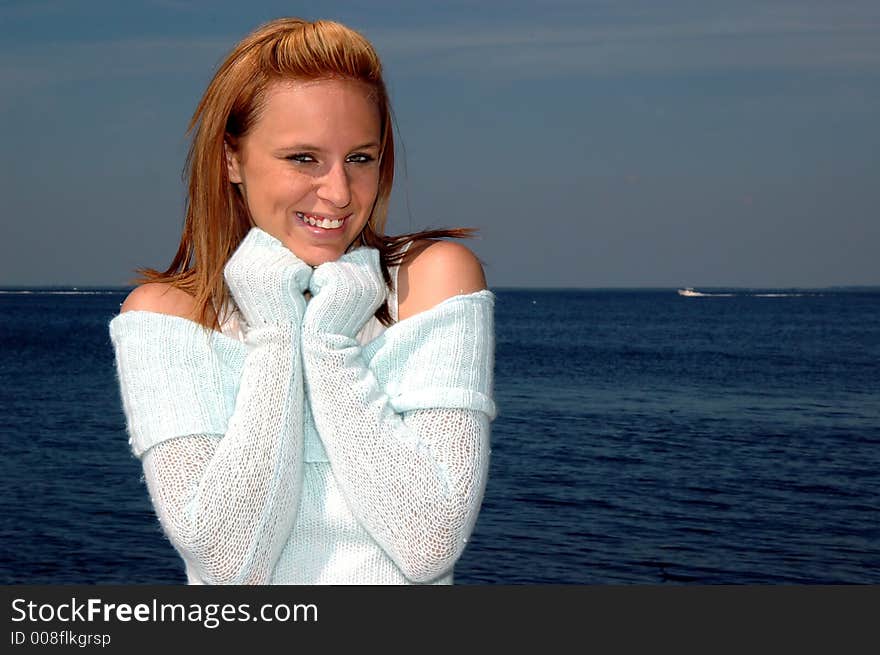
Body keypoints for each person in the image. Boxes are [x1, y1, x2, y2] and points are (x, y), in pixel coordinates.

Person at [108, 17, 496, 585]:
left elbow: (429, 540)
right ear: (231, 160)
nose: (339, 193)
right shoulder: (164, 318)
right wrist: (280, 329)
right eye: (303, 158)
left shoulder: (431, 282)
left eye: (360, 158)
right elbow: (229, 563)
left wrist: (329, 342)